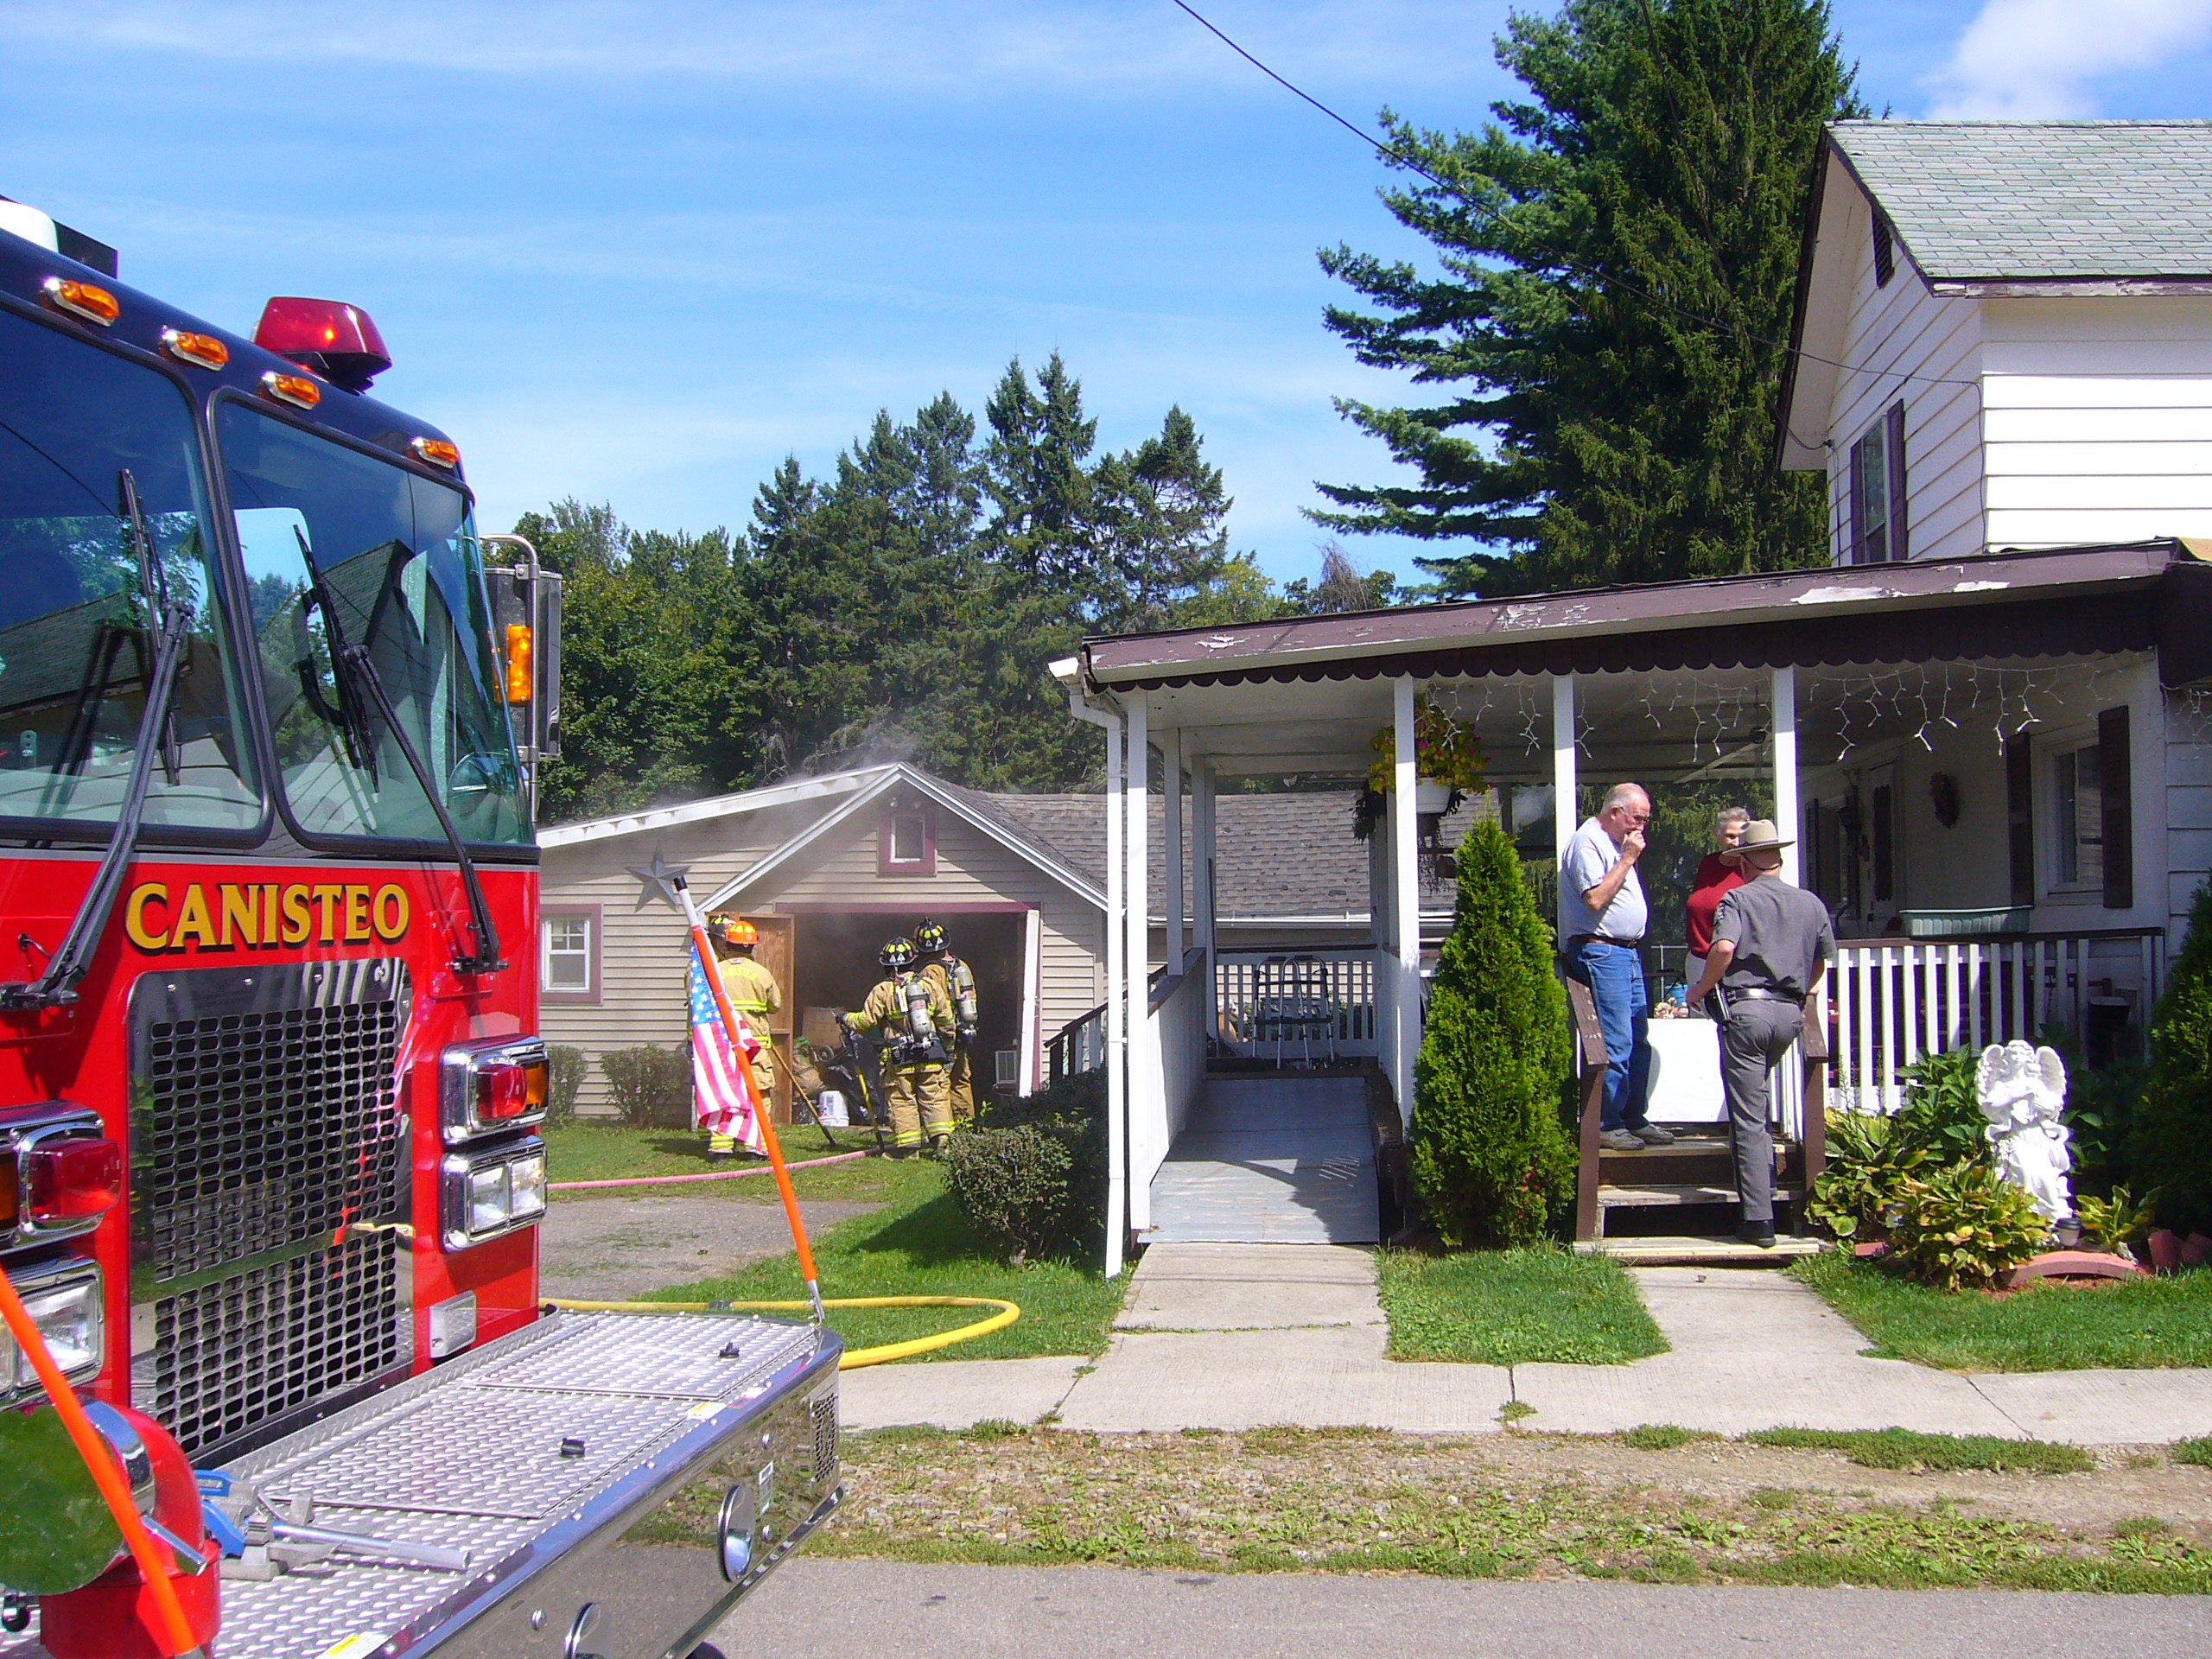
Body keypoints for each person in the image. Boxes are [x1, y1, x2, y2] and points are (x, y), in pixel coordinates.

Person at [1685, 821, 1835, 1247]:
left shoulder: (1738, 899)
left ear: (1745, 863)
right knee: (1758, 1101)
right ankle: (1764, 1195)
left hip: (1747, 1013)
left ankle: (1758, 1219)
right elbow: (1821, 960)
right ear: (1779, 859)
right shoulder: (1810, 903)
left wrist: (1701, 988)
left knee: (1749, 1116)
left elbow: (1724, 948)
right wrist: (1804, 991)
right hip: (1788, 1015)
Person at [1560, 782, 1671, 1152]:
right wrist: (1627, 859)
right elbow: (1594, 899)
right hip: (1602, 952)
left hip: (1626, 953)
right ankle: (1607, 1124)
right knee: (1616, 1041)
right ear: (1615, 812)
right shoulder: (1588, 843)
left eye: (1646, 820)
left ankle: (1633, 1118)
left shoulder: (1615, 843)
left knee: (1638, 1040)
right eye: (1637, 818)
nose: (1641, 827)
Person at [843, 936, 957, 1154]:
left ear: (887, 965)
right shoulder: (930, 986)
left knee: (903, 1100)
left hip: (899, 1059)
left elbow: (865, 1023)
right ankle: (942, 1142)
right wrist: (948, 1048)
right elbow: (947, 1021)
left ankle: (908, 1149)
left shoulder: (883, 990)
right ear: (914, 961)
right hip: (931, 1056)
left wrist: (846, 1018)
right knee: (934, 1098)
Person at [704, 913, 781, 1156]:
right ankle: (755, 1146)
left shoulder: (714, 972)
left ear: (727, 944)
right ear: (752, 946)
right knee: (759, 1094)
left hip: (722, 1046)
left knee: (725, 1095)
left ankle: (721, 1147)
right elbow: (775, 1005)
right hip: (755, 1048)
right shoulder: (762, 973)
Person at [914, 918, 980, 1127]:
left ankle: (944, 1128)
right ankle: (966, 1125)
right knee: (961, 1079)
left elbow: (930, 1005)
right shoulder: (962, 966)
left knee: (939, 1082)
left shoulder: (929, 972)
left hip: (943, 1035)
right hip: (964, 1030)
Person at [1683, 807, 1750, 988]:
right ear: (1718, 836)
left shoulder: (1749, 869)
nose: (1736, 843)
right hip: (1698, 958)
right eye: (1730, 836)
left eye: (1741, 837)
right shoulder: (1709, 863)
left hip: (1731, 962)